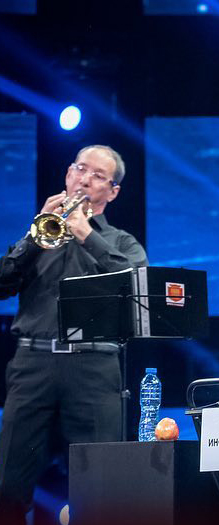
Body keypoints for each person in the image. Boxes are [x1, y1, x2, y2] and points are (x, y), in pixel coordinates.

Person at [0, 145, 148, 525]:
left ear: (112, 191)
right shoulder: (39, 235)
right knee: (8, 482)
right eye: (80, 169)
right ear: (68, 174)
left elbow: (135, 285)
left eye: (98, 175)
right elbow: (2, 282)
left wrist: (86, 234)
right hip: (33, 364)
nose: (85, 179)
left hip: (93, 368)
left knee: (100, 484)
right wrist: (32, 237)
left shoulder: (122, 242)